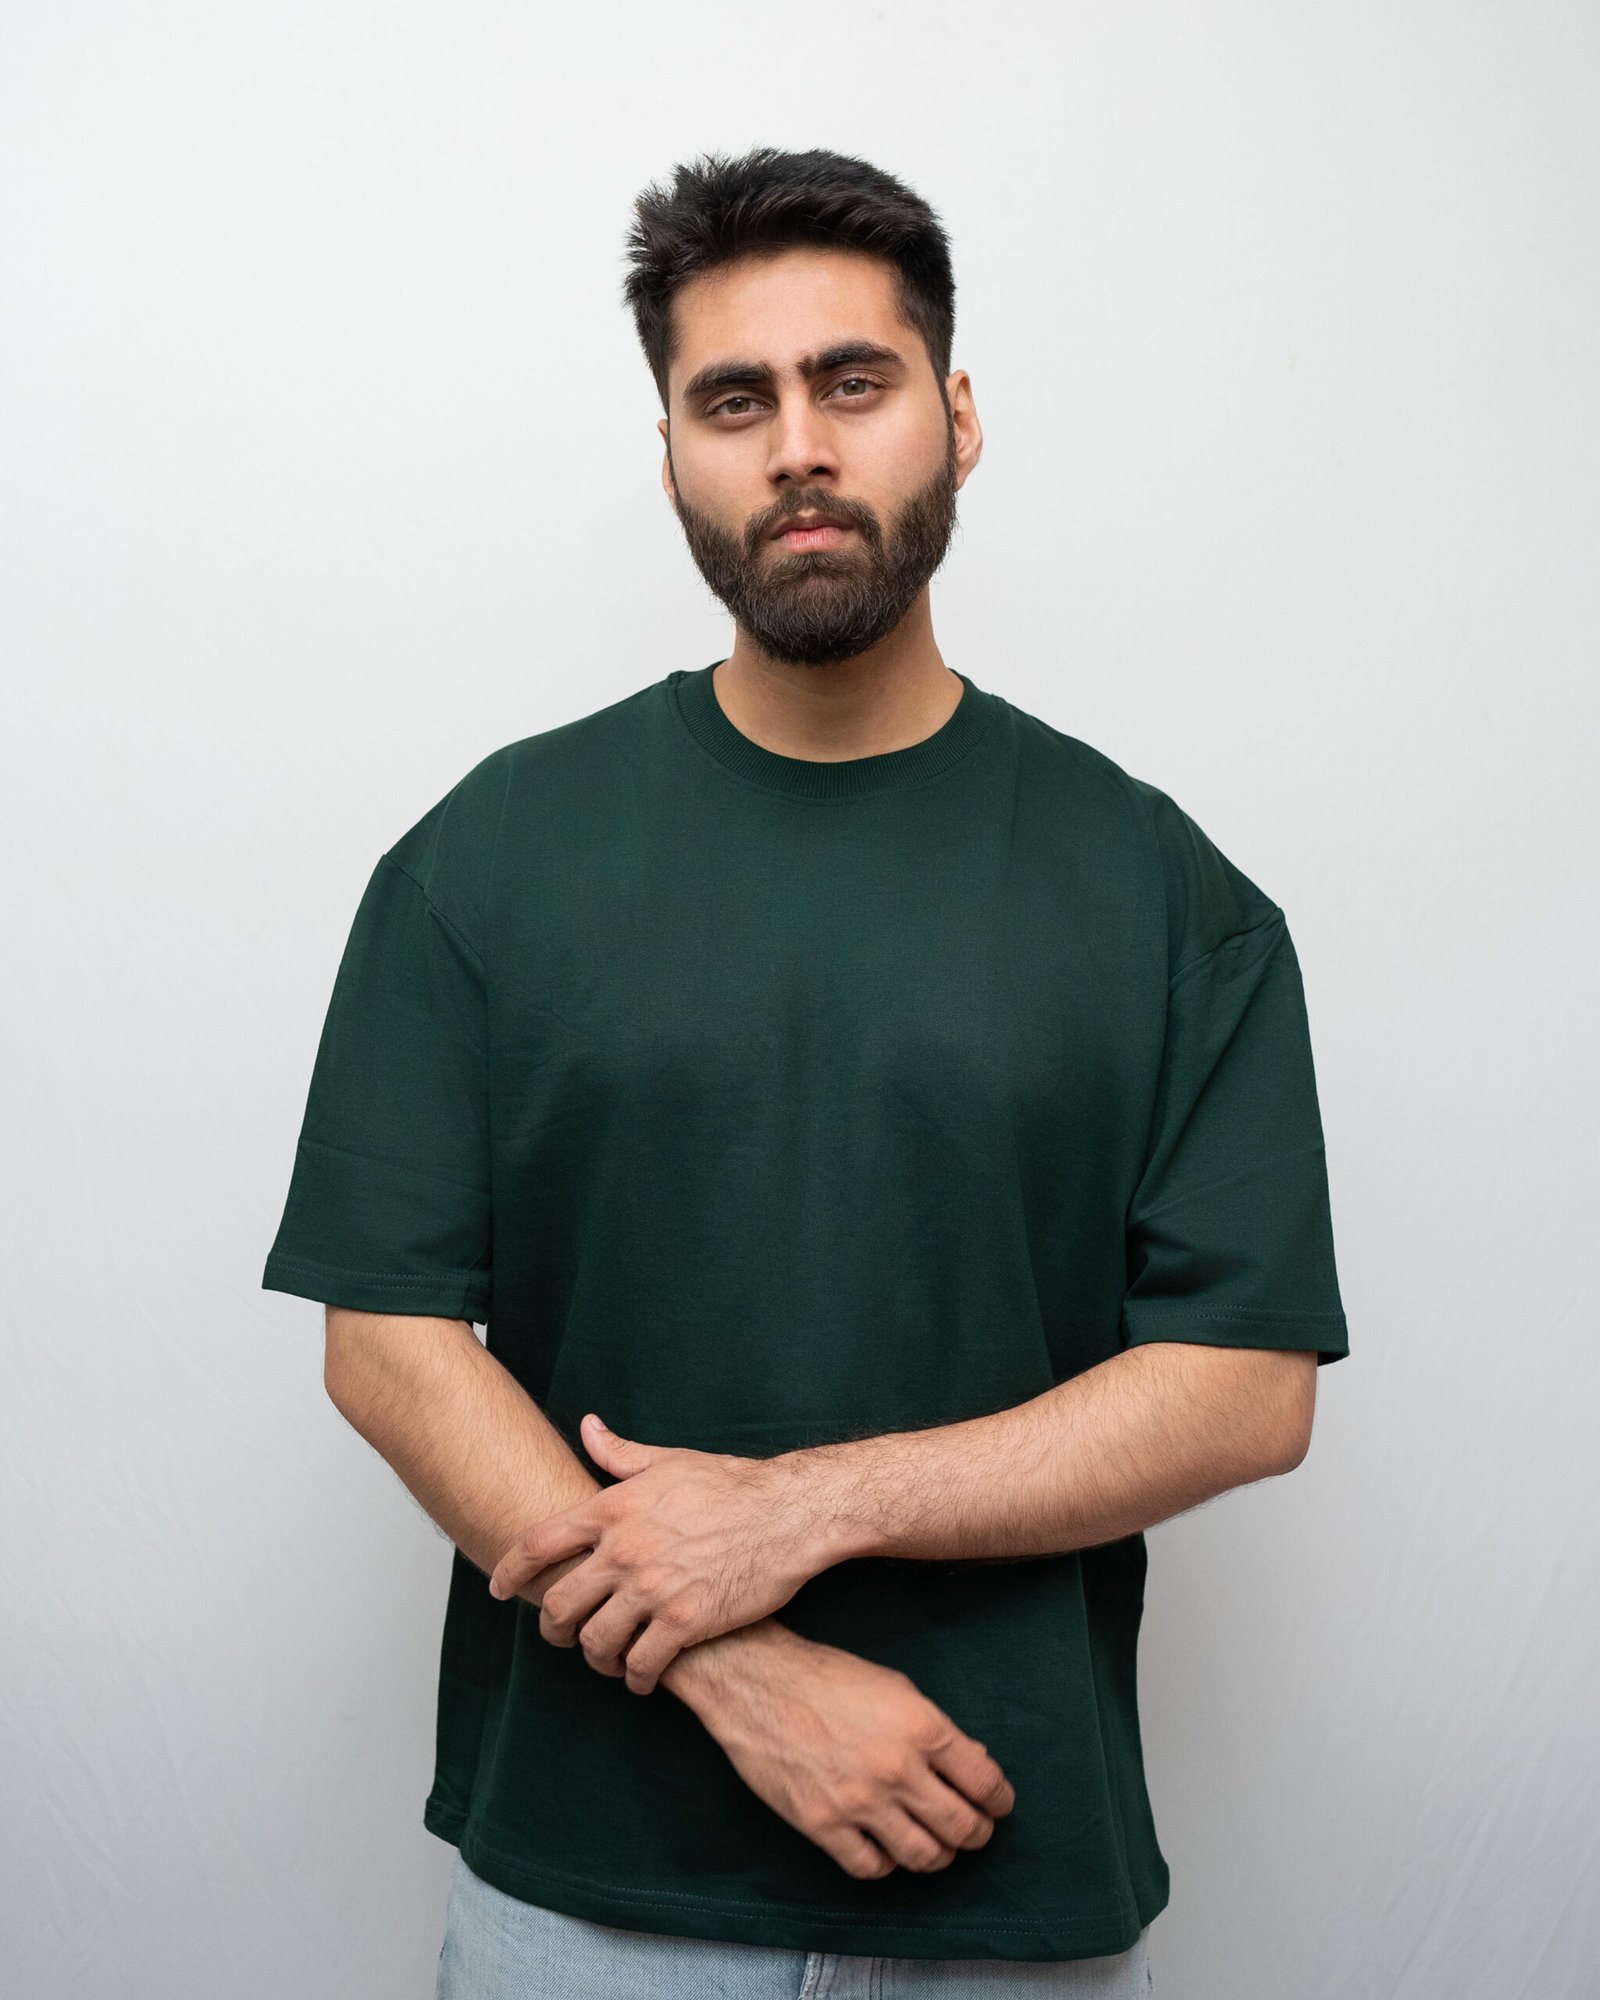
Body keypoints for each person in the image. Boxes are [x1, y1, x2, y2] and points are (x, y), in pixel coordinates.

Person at [261, 144, 1349, 1998]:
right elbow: (388, 1344)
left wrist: (801, 1507)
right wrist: (732, 1667)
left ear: (959, 416)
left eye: (854, 382)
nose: (799, 450)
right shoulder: (488, 860)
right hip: (585, 1907)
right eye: (734, 401)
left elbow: (1244, 1388)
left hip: (1010, 1887)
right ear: (671, 454)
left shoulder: (1167, 895)